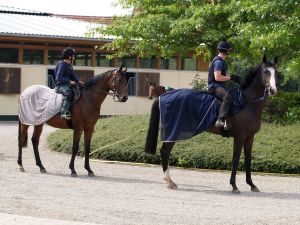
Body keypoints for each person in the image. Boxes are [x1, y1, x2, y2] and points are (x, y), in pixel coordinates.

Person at [207, 41, 241, 129]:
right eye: (229, 51)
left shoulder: (220, 61)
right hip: (215, 87)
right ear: (226, 52)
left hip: (219, 86)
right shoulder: (219, 62)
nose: (229, 53)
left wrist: (233, 78)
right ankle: (220, 120)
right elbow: (217, 77)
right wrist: (230, 78)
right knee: (228, 97)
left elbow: (222, 76)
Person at [54, 47, 84, 120]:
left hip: (68, 84)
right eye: (73, 55)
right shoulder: (62, 64)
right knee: (68, 93)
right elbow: (58, 78)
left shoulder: (69, 65)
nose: (74, 57)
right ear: (69, 56)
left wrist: (78, 81)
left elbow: (73, 76)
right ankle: (63, 112)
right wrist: (69, 81)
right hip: (60, 86)